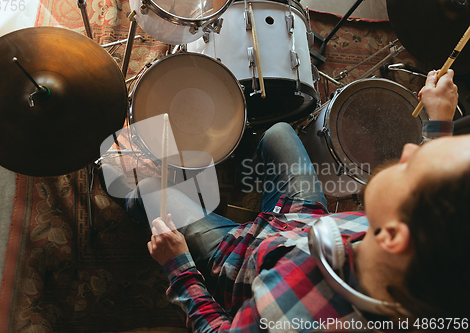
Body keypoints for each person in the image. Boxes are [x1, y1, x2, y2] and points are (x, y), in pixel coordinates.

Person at [100, 69, 469, 332]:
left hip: (235, 262)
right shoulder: (427, 254)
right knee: (278, 133)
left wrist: (178, 266)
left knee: (140, 193)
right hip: (300, 220)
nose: (408, 150)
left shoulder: (294, 316)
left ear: (392, 235)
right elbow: (445, 205)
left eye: (412, 168)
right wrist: (439, 124)